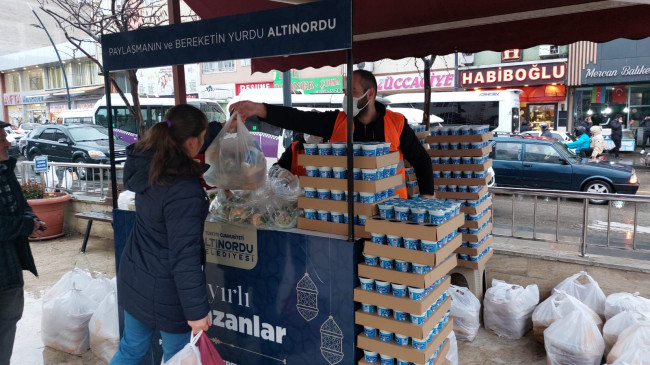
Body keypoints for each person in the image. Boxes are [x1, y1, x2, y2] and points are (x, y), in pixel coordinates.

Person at [229, 70, 434, 198]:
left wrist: (426, 198)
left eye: (352, 92)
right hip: (347, 211)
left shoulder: (396, 123)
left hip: (390, 210)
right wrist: (259, 109)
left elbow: (421, 161)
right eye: (345, 92)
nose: (346, 98)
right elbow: (298, 118)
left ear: (370, 94)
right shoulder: (338, 121)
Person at [110, 105, 211, 363]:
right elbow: (185, 256)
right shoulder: (183, 189)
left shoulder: (152, 167)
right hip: (167, 292)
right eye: (203, 137)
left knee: (131, 349)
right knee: (177, 356)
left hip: (136, 277)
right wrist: (197, 312)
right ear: (192, 142)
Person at [0, 121, 46, 365]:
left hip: (10, 267)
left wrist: (32, 220)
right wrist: (25, 225)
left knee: (8, 322)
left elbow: (21, 205)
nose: (7, 143)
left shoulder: (5, 171)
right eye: (0, 140)